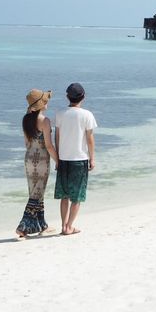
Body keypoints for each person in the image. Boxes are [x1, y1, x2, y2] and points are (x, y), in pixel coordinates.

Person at [54, 82, 97, 235]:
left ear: (67, 97)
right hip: (80, 159)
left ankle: (63, 225)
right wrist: (92, 158)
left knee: (64, 195)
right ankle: (69, 226)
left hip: (63, 159)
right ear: (83, 97)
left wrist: (57, 158)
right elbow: (90, 139)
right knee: (77, 196)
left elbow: (57, 137)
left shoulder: (60, 113)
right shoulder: (87, 115)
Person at [16, 89, 59, 239]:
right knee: (37, 194)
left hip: (29, 159)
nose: (47, 103)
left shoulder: (25, 119)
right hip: (41, 160)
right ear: (41, 104)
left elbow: (27, 143)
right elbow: (49, 146)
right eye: (45, 101)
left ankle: (42, 225)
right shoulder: (44, 121)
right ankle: (22, 227)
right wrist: (58, 160)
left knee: (35, 192)